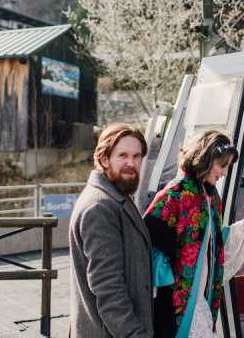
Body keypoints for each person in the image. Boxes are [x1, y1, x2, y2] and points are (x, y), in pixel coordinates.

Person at [144, 130, 244, 338]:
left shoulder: (211, 197)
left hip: (200, 299)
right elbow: (148, 244)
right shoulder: (174, 193)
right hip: (177, 303)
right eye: (222, 166)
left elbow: (214, 243)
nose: (224, 173)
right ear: (205, 158)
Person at [69, 123, 153, 338]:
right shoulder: (99, 207)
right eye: (122, 155)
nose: (131, 163)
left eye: (136, 156)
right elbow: (108, 289)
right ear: (104, 159)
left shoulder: (117, 195)